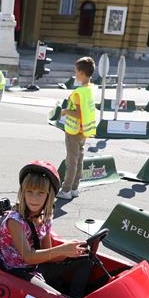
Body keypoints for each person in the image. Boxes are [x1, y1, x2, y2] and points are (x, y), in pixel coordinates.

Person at [0, 161, 92, 298]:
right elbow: (28, 257)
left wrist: (72, 251)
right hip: (18, 271)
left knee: (86, 260)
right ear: (22, 193)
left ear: (49, 195)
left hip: (37, 266)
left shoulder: (45, 217)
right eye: (29, 192)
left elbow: (48, 254)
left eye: (40, 193)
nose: (33, 198)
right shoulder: (14, 220)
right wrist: (63, 250)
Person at [59, 56, 97, 200]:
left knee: (71, 161)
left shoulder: (79, 92)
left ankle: (66, 190)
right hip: (84, 131)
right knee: (79, 160)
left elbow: (79, 113)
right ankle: (74, 188)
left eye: (76, 71)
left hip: (73, 131)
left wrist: (65, 111)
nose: (75, 74)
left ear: (81, 73)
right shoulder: (90, 89)